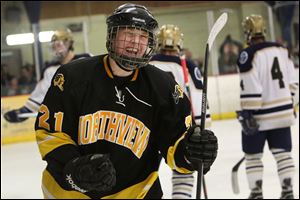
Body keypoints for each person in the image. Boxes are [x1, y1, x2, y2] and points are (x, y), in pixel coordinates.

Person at [34, 3, 218, 199]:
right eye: (129, 34)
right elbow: (50, 133)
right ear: (112, 36)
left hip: (136, 193)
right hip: (69, 194)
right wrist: (74, 168)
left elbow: (175, 144)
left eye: (142, 37)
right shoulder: (73, 76)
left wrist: (192, 153)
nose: (135, 43)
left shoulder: (163, 87)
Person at [236, 14, 299, 199]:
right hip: (283, 113)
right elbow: (294, 83)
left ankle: (256, 193)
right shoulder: (282, 49)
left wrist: (248, 112)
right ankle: (288, 191)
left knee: (253, 156)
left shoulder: (248, 54)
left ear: (247, 32)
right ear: (264, 30)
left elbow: (251, 86)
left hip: (260, 115)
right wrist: (290, 104)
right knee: (283, 154)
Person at [150, 24, 212, 198]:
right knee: (184, 167)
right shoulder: (186, 65)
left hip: (148, 126)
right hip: (178, 127)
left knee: (144, 171)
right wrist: (200, 125)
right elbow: (200, 96)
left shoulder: (147, 63)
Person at [3, 29, 92, 123]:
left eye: (58, 45)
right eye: (53, 46)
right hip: (69, 121)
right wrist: (24, 111)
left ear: (69, 43)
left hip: (92, 115)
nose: (56, 49)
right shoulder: (50, 70)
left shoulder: (86, 60)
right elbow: (40, 95)